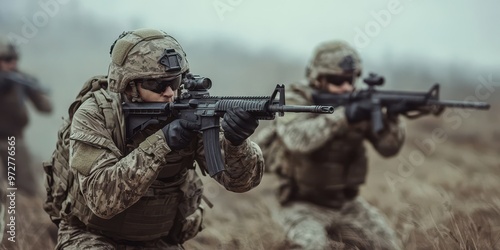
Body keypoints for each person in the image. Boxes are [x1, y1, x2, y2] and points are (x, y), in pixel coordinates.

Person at [54, 28, 264, 249]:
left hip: (158, 240)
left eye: (175, 82)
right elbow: (102, 200)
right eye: (157, 85)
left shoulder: (189, 109)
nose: (169, 93)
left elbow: (240, 182)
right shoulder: (95, 114)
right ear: (129, 85)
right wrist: (163, 142)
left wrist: (237, 144)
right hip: (91, 236)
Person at [255, 41, 405, 249]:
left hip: (346, 205)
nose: (346, 87)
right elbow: (297, 139)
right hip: (300, 205)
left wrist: (393, 119)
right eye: (337, 80)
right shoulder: (296, 98)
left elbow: (388, 148)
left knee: (388, 246)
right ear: (318, 79)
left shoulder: (360, 100)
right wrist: (345, 116)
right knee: (311, 245)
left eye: (350, 80)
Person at [0, 36, 52, 197]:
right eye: (7, 59)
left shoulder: (19, 80)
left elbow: (46, 108)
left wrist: (31, 89)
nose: (12, 63)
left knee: (28, 188)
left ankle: (28, 218)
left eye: (15, 59)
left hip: (14, 139)